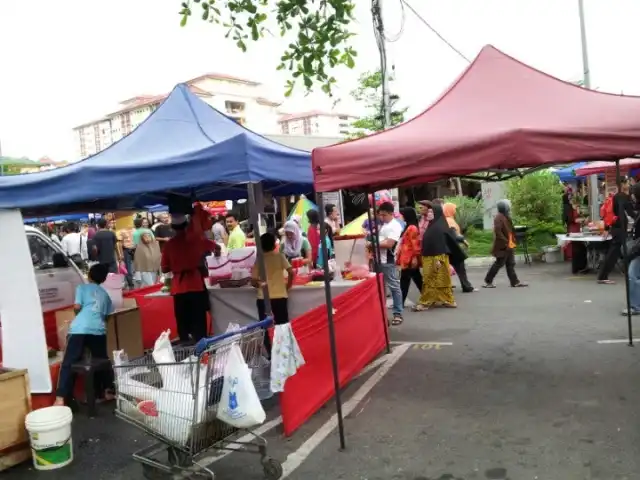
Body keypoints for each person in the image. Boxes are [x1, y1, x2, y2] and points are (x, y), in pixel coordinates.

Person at [54, 264, 114, 407]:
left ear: (89, 276)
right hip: (98, 331)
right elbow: (106, 316)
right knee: (101, 361)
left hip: (79, 330)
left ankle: (60, 398)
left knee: (69, 363)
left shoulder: (82, 288)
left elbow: (77, 307)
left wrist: (79, 316)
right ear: (103, 279)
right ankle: (107, 391)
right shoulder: (105, 295)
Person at [161, 213, 219, 343]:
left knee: (183, 322)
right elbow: (216, 247)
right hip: (196, 284)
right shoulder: (196, 240)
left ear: (173, 228)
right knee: (199, 321)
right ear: (186, 226)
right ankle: (203, 351)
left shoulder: (169, 245)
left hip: (178, 287)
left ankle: (186, 349)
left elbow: (164, 268)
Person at [413, 204, 457, 311]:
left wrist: (437, 261)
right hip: (431, 257)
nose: (428, 214)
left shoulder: (438, 227)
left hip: (436, 258)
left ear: (436, 213)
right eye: (428, 212)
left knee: (431, 280)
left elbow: (440, 245)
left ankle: (426, 302)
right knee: (438, 280)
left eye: (431, 212)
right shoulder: (434, 224)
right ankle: (447, 300)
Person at [597, 178, 635, 284]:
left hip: (615, 228)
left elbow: (611, 214)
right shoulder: (623, 197)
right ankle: (603, 276)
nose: (629, 185)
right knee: (614, 253)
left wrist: (607, 228)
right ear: (623, 184)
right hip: (620, 228)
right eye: (628, 183)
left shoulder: (616, 197)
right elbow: (631, 212)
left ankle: (603, 275)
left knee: (616, 252)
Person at [483, 200, 528, 288]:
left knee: (510, 264)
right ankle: (488, 281)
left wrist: (513, 240)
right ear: (504, 207)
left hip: (509, 244)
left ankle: (514, 282)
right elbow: (498, 232)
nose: (509, 208)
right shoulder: (498, 218)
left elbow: (510, 230)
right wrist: (506, 242)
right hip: (503, 245)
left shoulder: (506, 216)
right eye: (507, 207)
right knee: (499, 263)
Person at [252, 232, 294, 327]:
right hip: (280, 296)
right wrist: (288, 286)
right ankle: (283, 342)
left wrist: (261, 285)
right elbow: (291, 272)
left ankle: (267, 342)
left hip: (263, 297)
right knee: (282, 326)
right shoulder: (280, 256)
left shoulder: (259, 260)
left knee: (265, 327)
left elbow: (253, 281)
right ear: (275, 244)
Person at [373, 202, 403, 324]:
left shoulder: (395, 226)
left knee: (394, 287)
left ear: (391, 214)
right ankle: (382, 315)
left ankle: (398, 314)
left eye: (384, 215)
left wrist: (372, 244)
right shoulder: (385, 225)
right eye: (380, 215)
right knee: (380, 289)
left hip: (388, 261)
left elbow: (389, 244)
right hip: (379, 259)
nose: (381, 217)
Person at [442, 203, 476, 292]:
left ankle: (449, 287)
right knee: (460, 267)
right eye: (454, 209)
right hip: (453, 248)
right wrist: (463, 240)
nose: (455, 211)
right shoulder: (449, 221)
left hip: (449, 248)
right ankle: (466, 286)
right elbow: (454, 235)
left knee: (449, 269)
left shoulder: (446, 219)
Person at [396, 207, 423, 310]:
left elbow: (415, 244)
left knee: (405, 280)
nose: (400, 216)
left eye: (401, 214)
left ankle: (400, 303)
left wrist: (415, 258)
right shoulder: (409, 226)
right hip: (407, 258)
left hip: (410, 259)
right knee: (416, 279)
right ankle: (427, 297)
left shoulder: (412, 228)